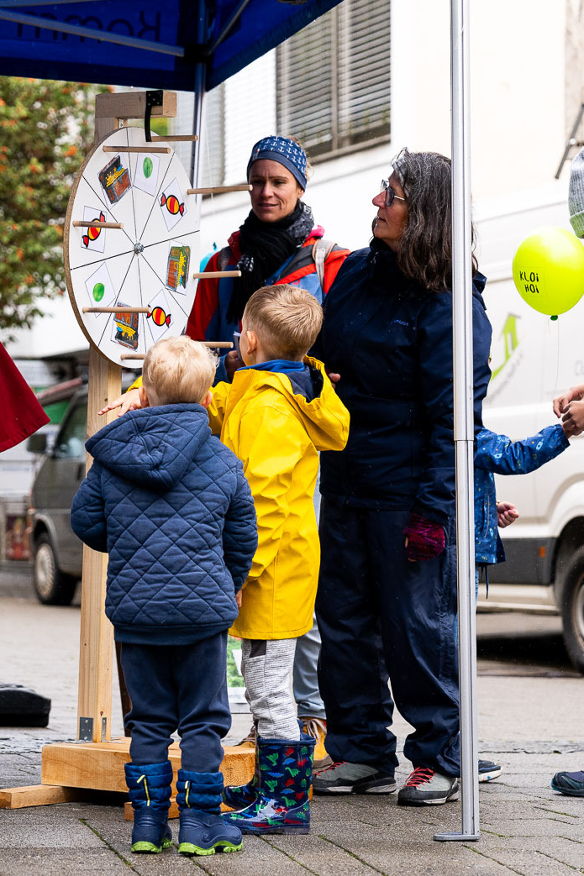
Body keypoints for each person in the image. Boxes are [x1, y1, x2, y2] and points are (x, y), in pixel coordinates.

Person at [100, 135, 350, 765]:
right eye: (257, 180)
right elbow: (187, 349)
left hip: (270, 433)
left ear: (300, 186)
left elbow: (336, 350)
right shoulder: (221, 259)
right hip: (217, 426)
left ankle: (298, 729)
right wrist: (144, 391)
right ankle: (275, 732)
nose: (266, 192)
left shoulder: (328, 263)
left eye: (279, 182)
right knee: (268, 615)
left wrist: (239, 574)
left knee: (282, 611)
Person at [311, 148, 492, 806]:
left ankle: (439, 756)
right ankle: (360, 750)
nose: (376, 204)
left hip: (406, 491)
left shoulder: (449, 303)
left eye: (390, 195)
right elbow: (320, 354)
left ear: (424, 213)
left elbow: (455, 420)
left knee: (416, 627)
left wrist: (433, 509)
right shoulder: (356, 274)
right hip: (346, 479)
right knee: (344, 622)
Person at [70, 337, 257, 856]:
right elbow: (242, 536)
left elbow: (85, 521)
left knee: (148, 720)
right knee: (203, 720)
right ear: (205, 400)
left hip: (136, 613)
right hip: (203, 613)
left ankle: (148, 825)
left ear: (144, 396)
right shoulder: (222, 460)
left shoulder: (112, 457)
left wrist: (130, 540)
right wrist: (232, 580)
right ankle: (201, 824)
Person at [206, 284, 350, 834]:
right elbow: (226, 407)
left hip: (268, 571)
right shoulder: (271, 392)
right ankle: (272, 784)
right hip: (280, 568)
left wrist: (240, 572)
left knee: (268, 688)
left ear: (250, 339)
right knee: (264, 678)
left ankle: (286, 800)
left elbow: (261, 502)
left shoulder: (267, 407)